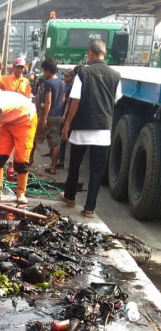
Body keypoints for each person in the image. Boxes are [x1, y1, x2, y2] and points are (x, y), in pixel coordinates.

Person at [59, 39, 122, 218]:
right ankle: (89, 208)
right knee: (96, 170)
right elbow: (115, 100)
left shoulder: (84, 73)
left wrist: (68, 124)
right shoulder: (115, 75)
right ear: (105, 54)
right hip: (103, 131)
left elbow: (76, 100)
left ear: (90, 54)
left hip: (81, 130)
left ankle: (70, 197)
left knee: (75, 165)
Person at [33, 57, 65, 174]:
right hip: (57, 116)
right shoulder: (62, 82)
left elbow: (48, 101)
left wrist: (44, 118)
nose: (43, 73)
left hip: (49, 115)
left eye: (44, 71)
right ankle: (53, 168)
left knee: (34, 138)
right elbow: (63, 99)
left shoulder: (48, 83)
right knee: (55, 143)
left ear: (47, 71)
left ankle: (29, 161)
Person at [57, 68, 75, 168]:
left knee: (64, 139)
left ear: (71, 77)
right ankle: (59, 158)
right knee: (61, 137)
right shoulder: (65, 85)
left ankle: (61, 161)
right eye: (64, 75)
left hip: (69, 116)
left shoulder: (72, 87)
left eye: (67, 76)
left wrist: (65, 115)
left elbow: (70, 102)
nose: (65, 77)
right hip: (64, 114)